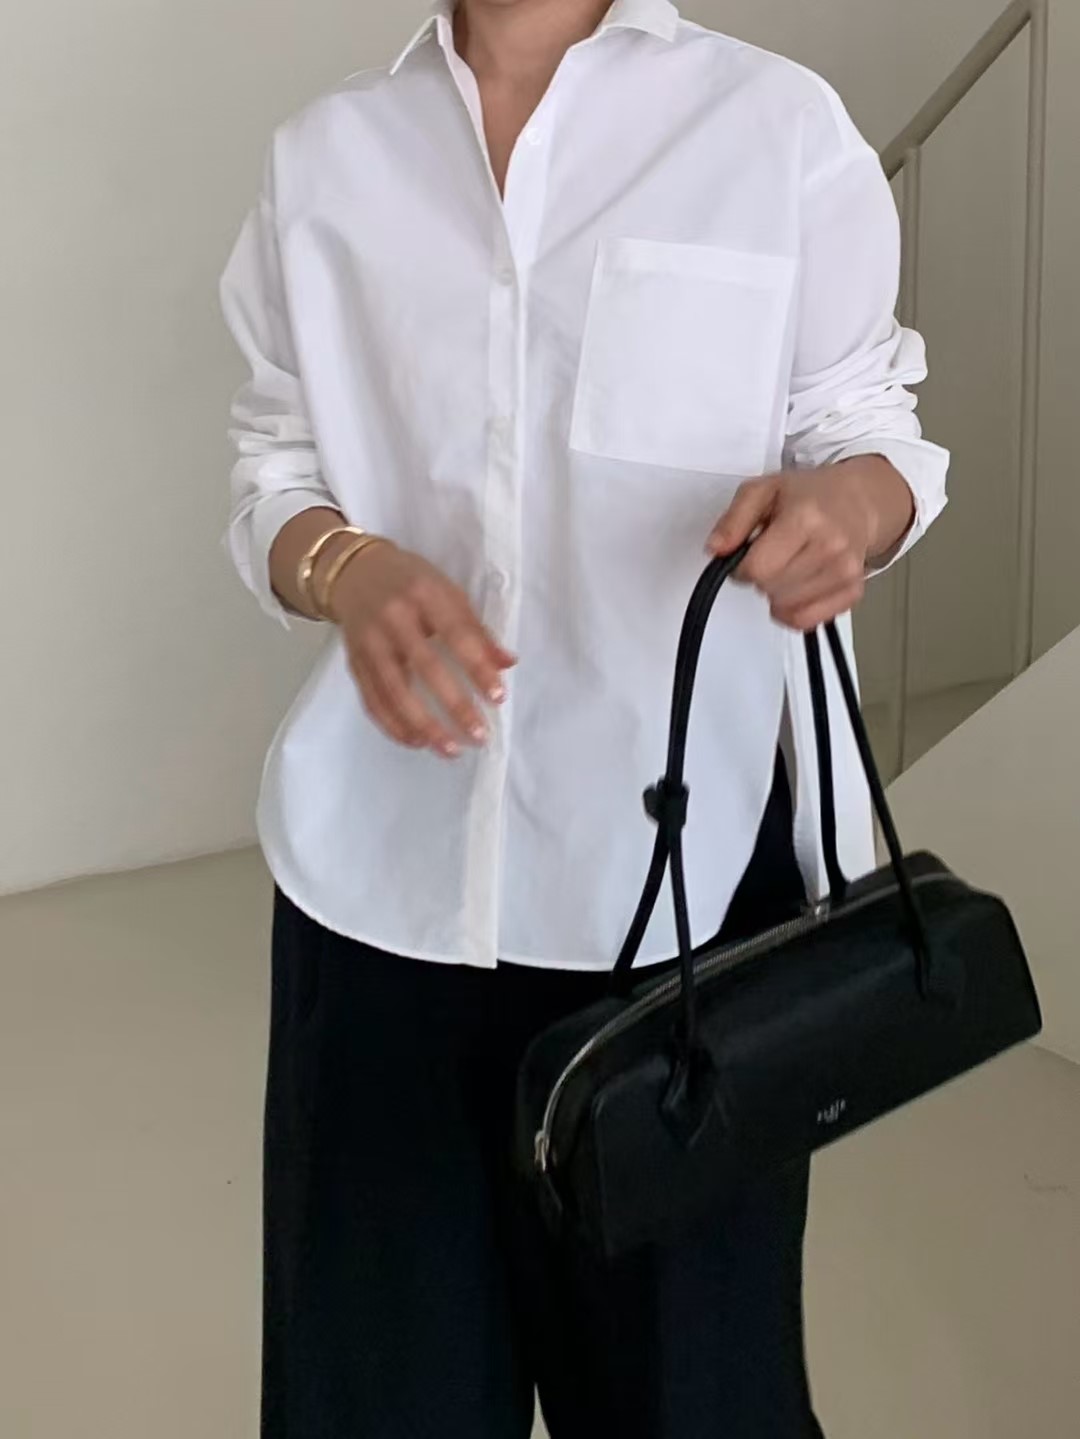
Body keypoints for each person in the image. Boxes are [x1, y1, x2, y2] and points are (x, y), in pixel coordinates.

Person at [220, 1, 949, 1434]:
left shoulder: (772, 126)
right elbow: (274, 463)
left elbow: (875, 434)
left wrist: (846, 510)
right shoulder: (327, 158)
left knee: (695, 1401)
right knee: (373, 1402)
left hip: (686, 914)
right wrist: (345, 568)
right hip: (381, 901)